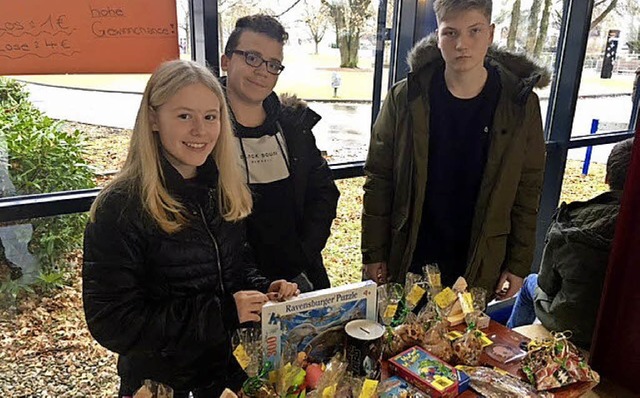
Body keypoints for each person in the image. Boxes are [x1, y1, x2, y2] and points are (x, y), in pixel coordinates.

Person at [82, 59, 299, 397]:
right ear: (153, 119)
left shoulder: (223, 187)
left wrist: (262, 290)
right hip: (162, 385)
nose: (200, 130)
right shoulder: (119, 207)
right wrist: (224, 312)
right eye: (185, 116)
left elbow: (236, 266)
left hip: (228, 374)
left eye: (210, 117)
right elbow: (112, 323)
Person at [361, 0, 548, 298]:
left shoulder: (519, 105)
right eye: (450, 33)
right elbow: (379, 179)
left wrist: (518, 263)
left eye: (474, 31)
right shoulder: (406, 98)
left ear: (490, 33)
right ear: (438, 36)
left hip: (479, 256)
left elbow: (528, 187)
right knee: (400, 339)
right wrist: (373, 252)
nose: (462, 44)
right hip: (410, 250)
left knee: (462, 340)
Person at [220, 14, 340, 292]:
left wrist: (302, 255)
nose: (262, 71)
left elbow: (323, 193)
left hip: (298, 279)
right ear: (226, 61)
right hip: (235, 289)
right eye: (252, 57)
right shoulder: (204, 133)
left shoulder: (294, 127)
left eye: (273, 64)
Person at [507, 138, 635, 349]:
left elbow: (547, 284)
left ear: (607, 177)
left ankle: (507, 344)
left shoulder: (571, 220)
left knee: (530, 282)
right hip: (618, 330)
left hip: (569, 324)